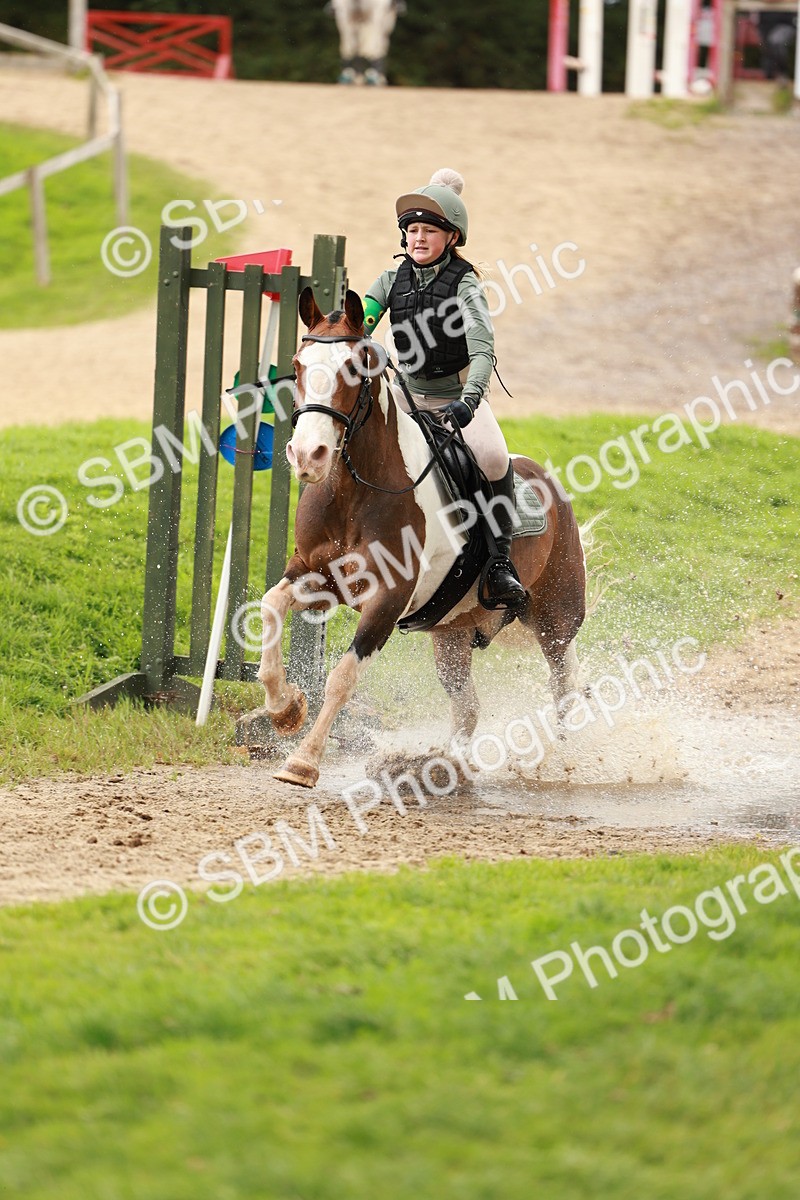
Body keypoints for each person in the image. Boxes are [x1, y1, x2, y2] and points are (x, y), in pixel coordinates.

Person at [362, 168, 527, 611]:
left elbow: (482, 350)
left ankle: (499, 563)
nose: (418, 238)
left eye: (429, 231)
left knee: (493, 458)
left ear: (451, 237)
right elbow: (361, 325)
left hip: (454, 398)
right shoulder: (389, 280)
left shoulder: (466, 285)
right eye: (412, 230)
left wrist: (469, 402)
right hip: (405, 393)